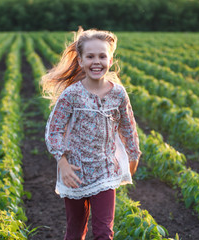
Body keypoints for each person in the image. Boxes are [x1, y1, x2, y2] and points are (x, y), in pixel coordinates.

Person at [41, 27, 141, 240]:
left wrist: (134, 156)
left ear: (111, 60)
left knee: (104, 232)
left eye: (102, 56)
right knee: (76, 232)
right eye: (91, 56)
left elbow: (128, 127)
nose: (97, 61)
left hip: (105, 170)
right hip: (75, 172)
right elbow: (54, 130)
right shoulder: (72, 95)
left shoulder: (118, 94)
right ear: (81, 61)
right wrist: (63, 163)